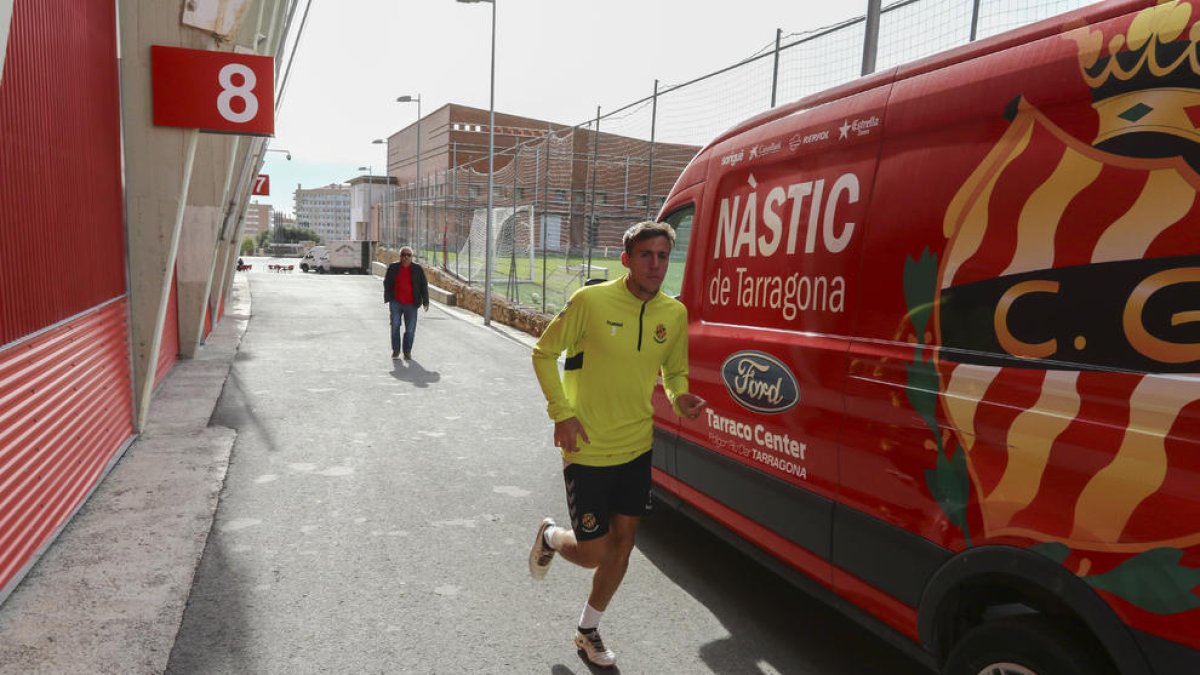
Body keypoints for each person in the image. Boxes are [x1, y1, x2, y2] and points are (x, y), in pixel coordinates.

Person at [528, 221, 706, 668]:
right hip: (587, 446)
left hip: (635, 446)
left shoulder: (674, 314)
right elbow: (543, 353)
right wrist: (562, 414)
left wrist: (679, 396)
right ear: (626, 259)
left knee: (624, 544)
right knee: (593, 553)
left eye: (663, 256)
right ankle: (549, 535)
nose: (655, 265)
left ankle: (588, 630)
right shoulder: (590, 301)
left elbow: (673, 371)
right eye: (646, 255)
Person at [382, 247, 429, 360]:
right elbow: (387, 282)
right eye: (404, 254)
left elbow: (423, 285)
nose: (406, 257)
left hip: (412, 304)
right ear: (400, 256)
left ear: (412, 257)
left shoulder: (417, 269)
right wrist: (389, 295)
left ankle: (407, 351)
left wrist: (425, 301)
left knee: (410, 329)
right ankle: (396, 350)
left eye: (408, 255)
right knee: (395, 325)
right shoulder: (393, 267)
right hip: (396, 302)